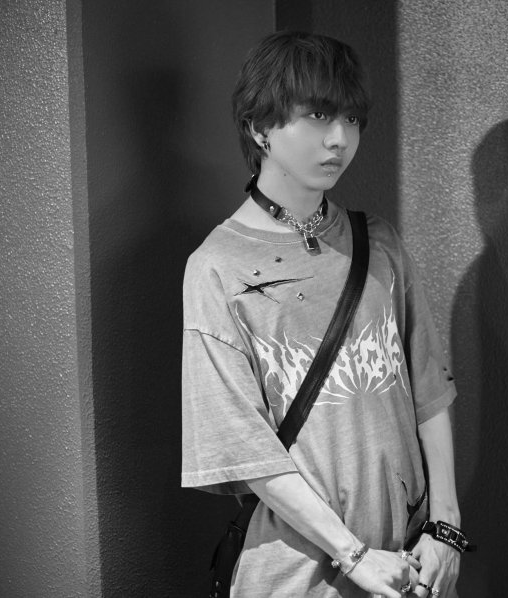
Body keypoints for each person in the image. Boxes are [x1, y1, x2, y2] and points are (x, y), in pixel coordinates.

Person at [181, 31, 469, 598]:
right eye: (317, 115)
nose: (339, 138)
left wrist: (447, 527)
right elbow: (241, 445)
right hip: (300, 571)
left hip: (414, 561)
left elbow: (429, 389)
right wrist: (353, 555)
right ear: (259, 127)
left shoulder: (378, 242)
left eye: (352, 119)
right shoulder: (217, 267)